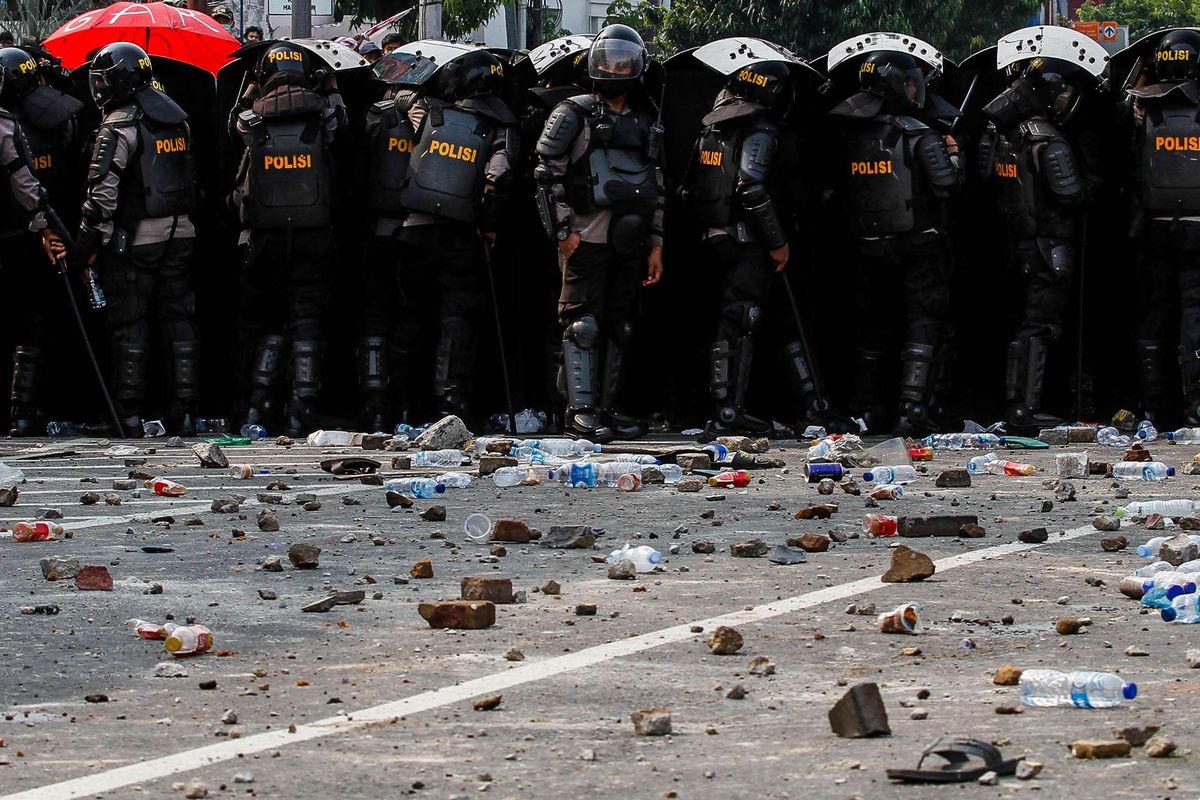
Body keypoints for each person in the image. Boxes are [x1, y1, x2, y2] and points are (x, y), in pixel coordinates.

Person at [683, 60, 835, 438]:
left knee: (755, 321)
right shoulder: (760, 131)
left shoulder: (710, 130)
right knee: (741, 321)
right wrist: (778, 242)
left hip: (715, 240)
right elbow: (751, 187)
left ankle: (804, 405)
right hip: (749, 243)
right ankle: (728, 411)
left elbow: (687, 189)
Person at [535, 24, 664, 442]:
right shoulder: (573, 113)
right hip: (584, 238)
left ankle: (607, 409)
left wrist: (656, 244)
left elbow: (656, 186)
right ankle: (580, 412)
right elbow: (544, 176)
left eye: (622, 60)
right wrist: (562, 233)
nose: (614, 66)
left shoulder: (646, 122)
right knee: (580, 325)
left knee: (618, 326)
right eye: (608, 58)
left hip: (630, 241)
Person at [827, 48, 962, 435]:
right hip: (920, 244)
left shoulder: (850, 136)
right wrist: (954, 155)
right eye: (907, 82)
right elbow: (946, 186)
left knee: (873, 328)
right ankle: (911, 410)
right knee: (924, 324)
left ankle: (867, 410)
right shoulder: (920, 135)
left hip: (869, 245)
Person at [77, 43, 199, 437]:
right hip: (182, 233)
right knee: (179, 321)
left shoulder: (118, 124)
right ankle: (184, 413)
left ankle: (126, 416)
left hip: (136, 239)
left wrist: (85, 245)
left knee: (129, 324)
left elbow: (102, 196)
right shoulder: (175, 117)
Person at [394, 48, 519, 422]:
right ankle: (452, 403)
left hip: (413, 229)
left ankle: (402, 404)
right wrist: (491, 223)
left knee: (409, 318)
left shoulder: (429, 112)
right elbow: (500, 177)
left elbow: (399, 93)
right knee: (456, 319)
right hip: (462, 233)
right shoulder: (500, 126)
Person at [978, 49, 1094, 430]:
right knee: (1038, 327)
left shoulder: (1005, 137)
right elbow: (1070, 194)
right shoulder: (1050, 141)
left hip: (1018, 243)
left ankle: (1018, 404)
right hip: (1049, 246)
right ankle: (1024, 407)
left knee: (1024, 324)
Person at [230, 42, 342, 436]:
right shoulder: (322, 120)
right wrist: (329, 86)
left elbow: (235, 119)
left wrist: (251, 86)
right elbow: (339, 117)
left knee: (268, 322)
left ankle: (258, 406)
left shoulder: (251, 123)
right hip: (315, 235)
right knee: (307, 320)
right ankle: (303, 408)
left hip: (264, 239)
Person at [0, 47, 82, 436]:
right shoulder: (33, 123)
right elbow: (26, 185)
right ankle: (22, 410)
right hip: (28, 236)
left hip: (23, 234)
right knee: (31, 324)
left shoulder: (12, 123)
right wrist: (48, 225)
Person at [1126, 29, 1200, 423]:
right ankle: (1196, 405)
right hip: (1196, 227)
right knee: (1195, 314)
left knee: (1152, 316)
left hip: (1153, 228)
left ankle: (1152, 406)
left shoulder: (1142, 109)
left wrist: (1143, 72)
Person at [356, 51, 422, 430]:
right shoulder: (436, 118)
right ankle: (406, 406)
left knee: (375, 318)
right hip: (416, 229)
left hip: (379, 228)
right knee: (409, 320)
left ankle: (374, 402)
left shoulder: (376, 116)